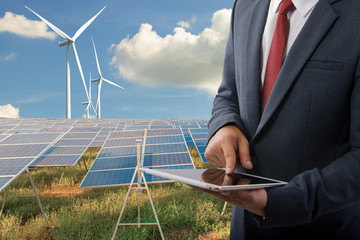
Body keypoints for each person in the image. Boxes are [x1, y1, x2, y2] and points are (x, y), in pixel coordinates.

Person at [202, 0, 360, 239]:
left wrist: (277, 202)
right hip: (243, 229)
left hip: (323, 229)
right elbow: (228, 94)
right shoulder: (244, 6)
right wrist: (224, 125)